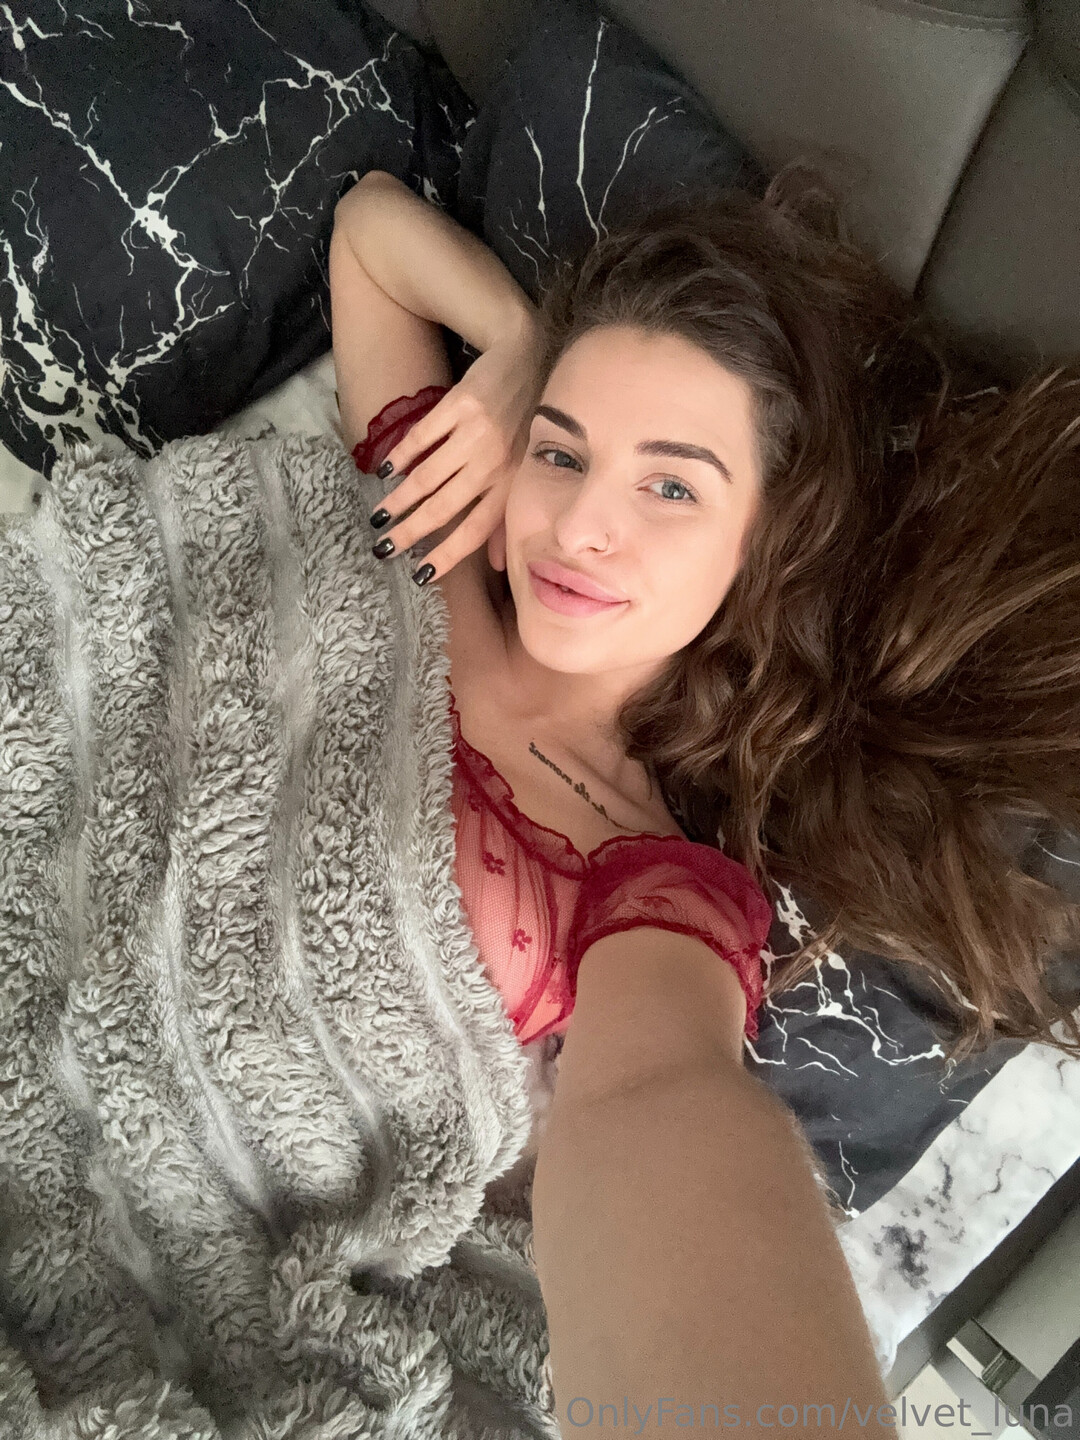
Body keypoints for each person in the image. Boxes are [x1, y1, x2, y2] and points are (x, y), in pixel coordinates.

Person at [328, 166, 1080, 1432]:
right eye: (561, 453)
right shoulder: (436, 531)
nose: (581, 523)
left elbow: (657, 1104)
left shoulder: (654, 878)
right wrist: (516, 350)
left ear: (765, 546)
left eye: (671, 484)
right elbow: (368, 234)